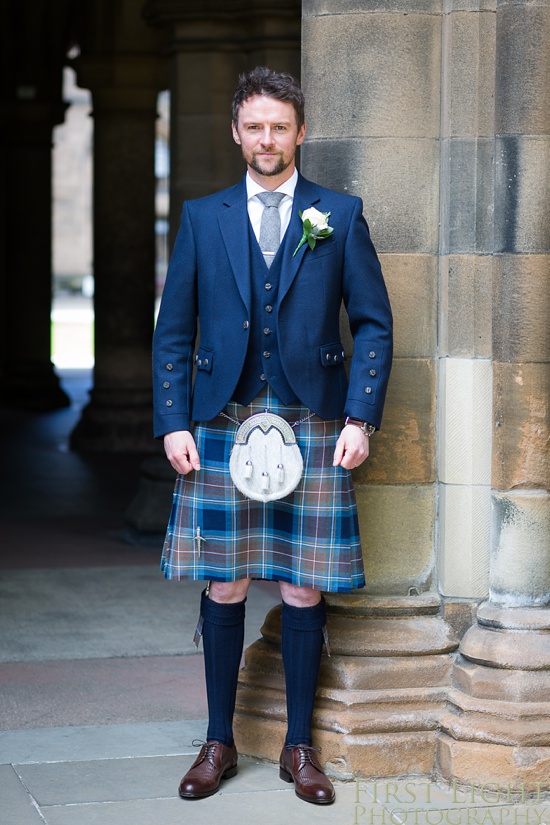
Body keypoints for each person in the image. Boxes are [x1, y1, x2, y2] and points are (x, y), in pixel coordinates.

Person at [153, 66, 393, 805]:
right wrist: (172, 421)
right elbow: (173, 332)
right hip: (222, 420)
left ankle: (298, 748)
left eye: (279, 127)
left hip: (313, 420)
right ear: (237, 132)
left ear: (300, 131)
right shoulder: (203, 216)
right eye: (254, 126)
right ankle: (218, 740)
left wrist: (359, 416)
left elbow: (376, 325)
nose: (267, 139)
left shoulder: (339, 214)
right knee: (226, 580)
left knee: (299, 582)